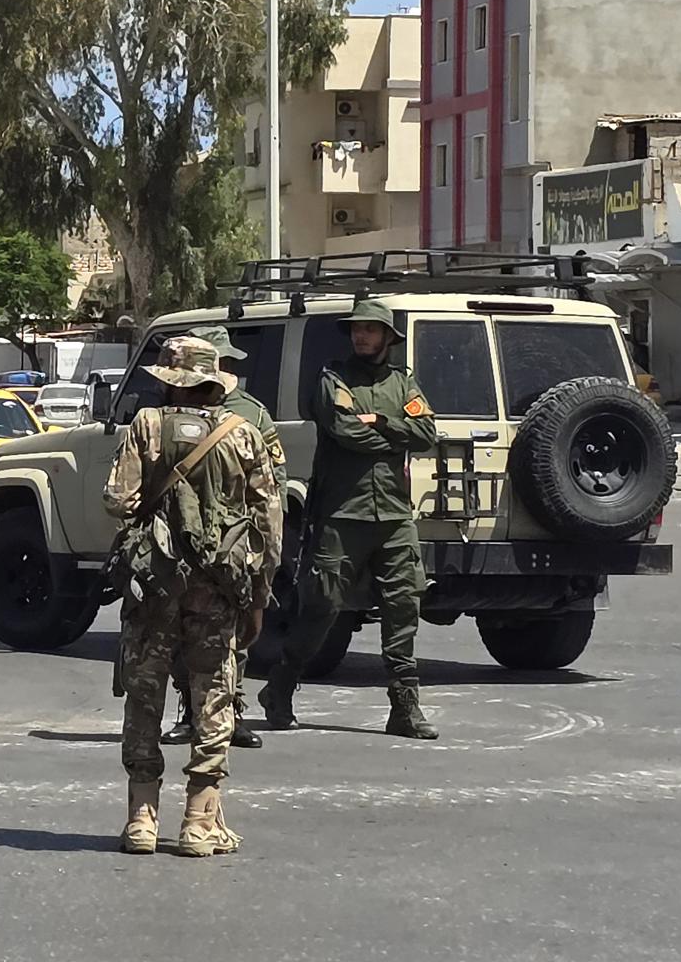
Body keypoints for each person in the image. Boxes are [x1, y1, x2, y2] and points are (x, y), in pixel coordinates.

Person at [103, 336, 279, 857]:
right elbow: (269, 523)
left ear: (169, 382)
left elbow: (117, 500)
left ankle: (141, 820)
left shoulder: (146, 425)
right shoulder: (243, 434)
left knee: (144, 695)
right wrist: (259, 596)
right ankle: (200, 824)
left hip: (154, 587)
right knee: (213, 698)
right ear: (214, 384)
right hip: (218, 590)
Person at [261, 299, 439, 739]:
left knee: (403, 605)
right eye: (357, 329)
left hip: (394, 514)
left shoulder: (403, 383)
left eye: (370, 330)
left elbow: (426, 433)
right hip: (343, 513)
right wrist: (392, 437)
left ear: (387, 338)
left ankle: (405, 707)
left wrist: (382, 421)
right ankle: (280, 685)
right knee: (322, 606)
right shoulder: (333, 380)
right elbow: (345, 431)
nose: (361, 335)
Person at [161, 325, 286, 752]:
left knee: (232, 634)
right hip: (176, 538)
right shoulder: (167, 409)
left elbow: (272, 480)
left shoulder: (251, 413)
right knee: (178, 629)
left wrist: (262, 548)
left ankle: (230, 711)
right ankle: (190, 711)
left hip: (232, 540)